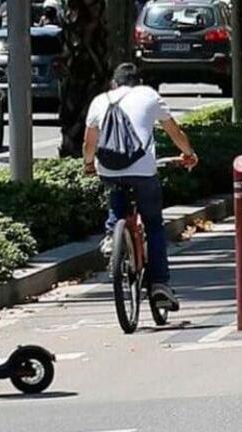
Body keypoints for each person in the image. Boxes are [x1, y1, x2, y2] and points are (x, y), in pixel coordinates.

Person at [83, 63, 198, 310]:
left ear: (114, 84)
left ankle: (113, 235)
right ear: (139, 82)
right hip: (144, 170)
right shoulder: (148, 95)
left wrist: (89, 164)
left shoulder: (100, 100)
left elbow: (89, 141)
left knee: (116, 195)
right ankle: (160, 284)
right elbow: (174, 131)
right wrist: (188, 153)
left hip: (109, 170)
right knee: (154, 223)